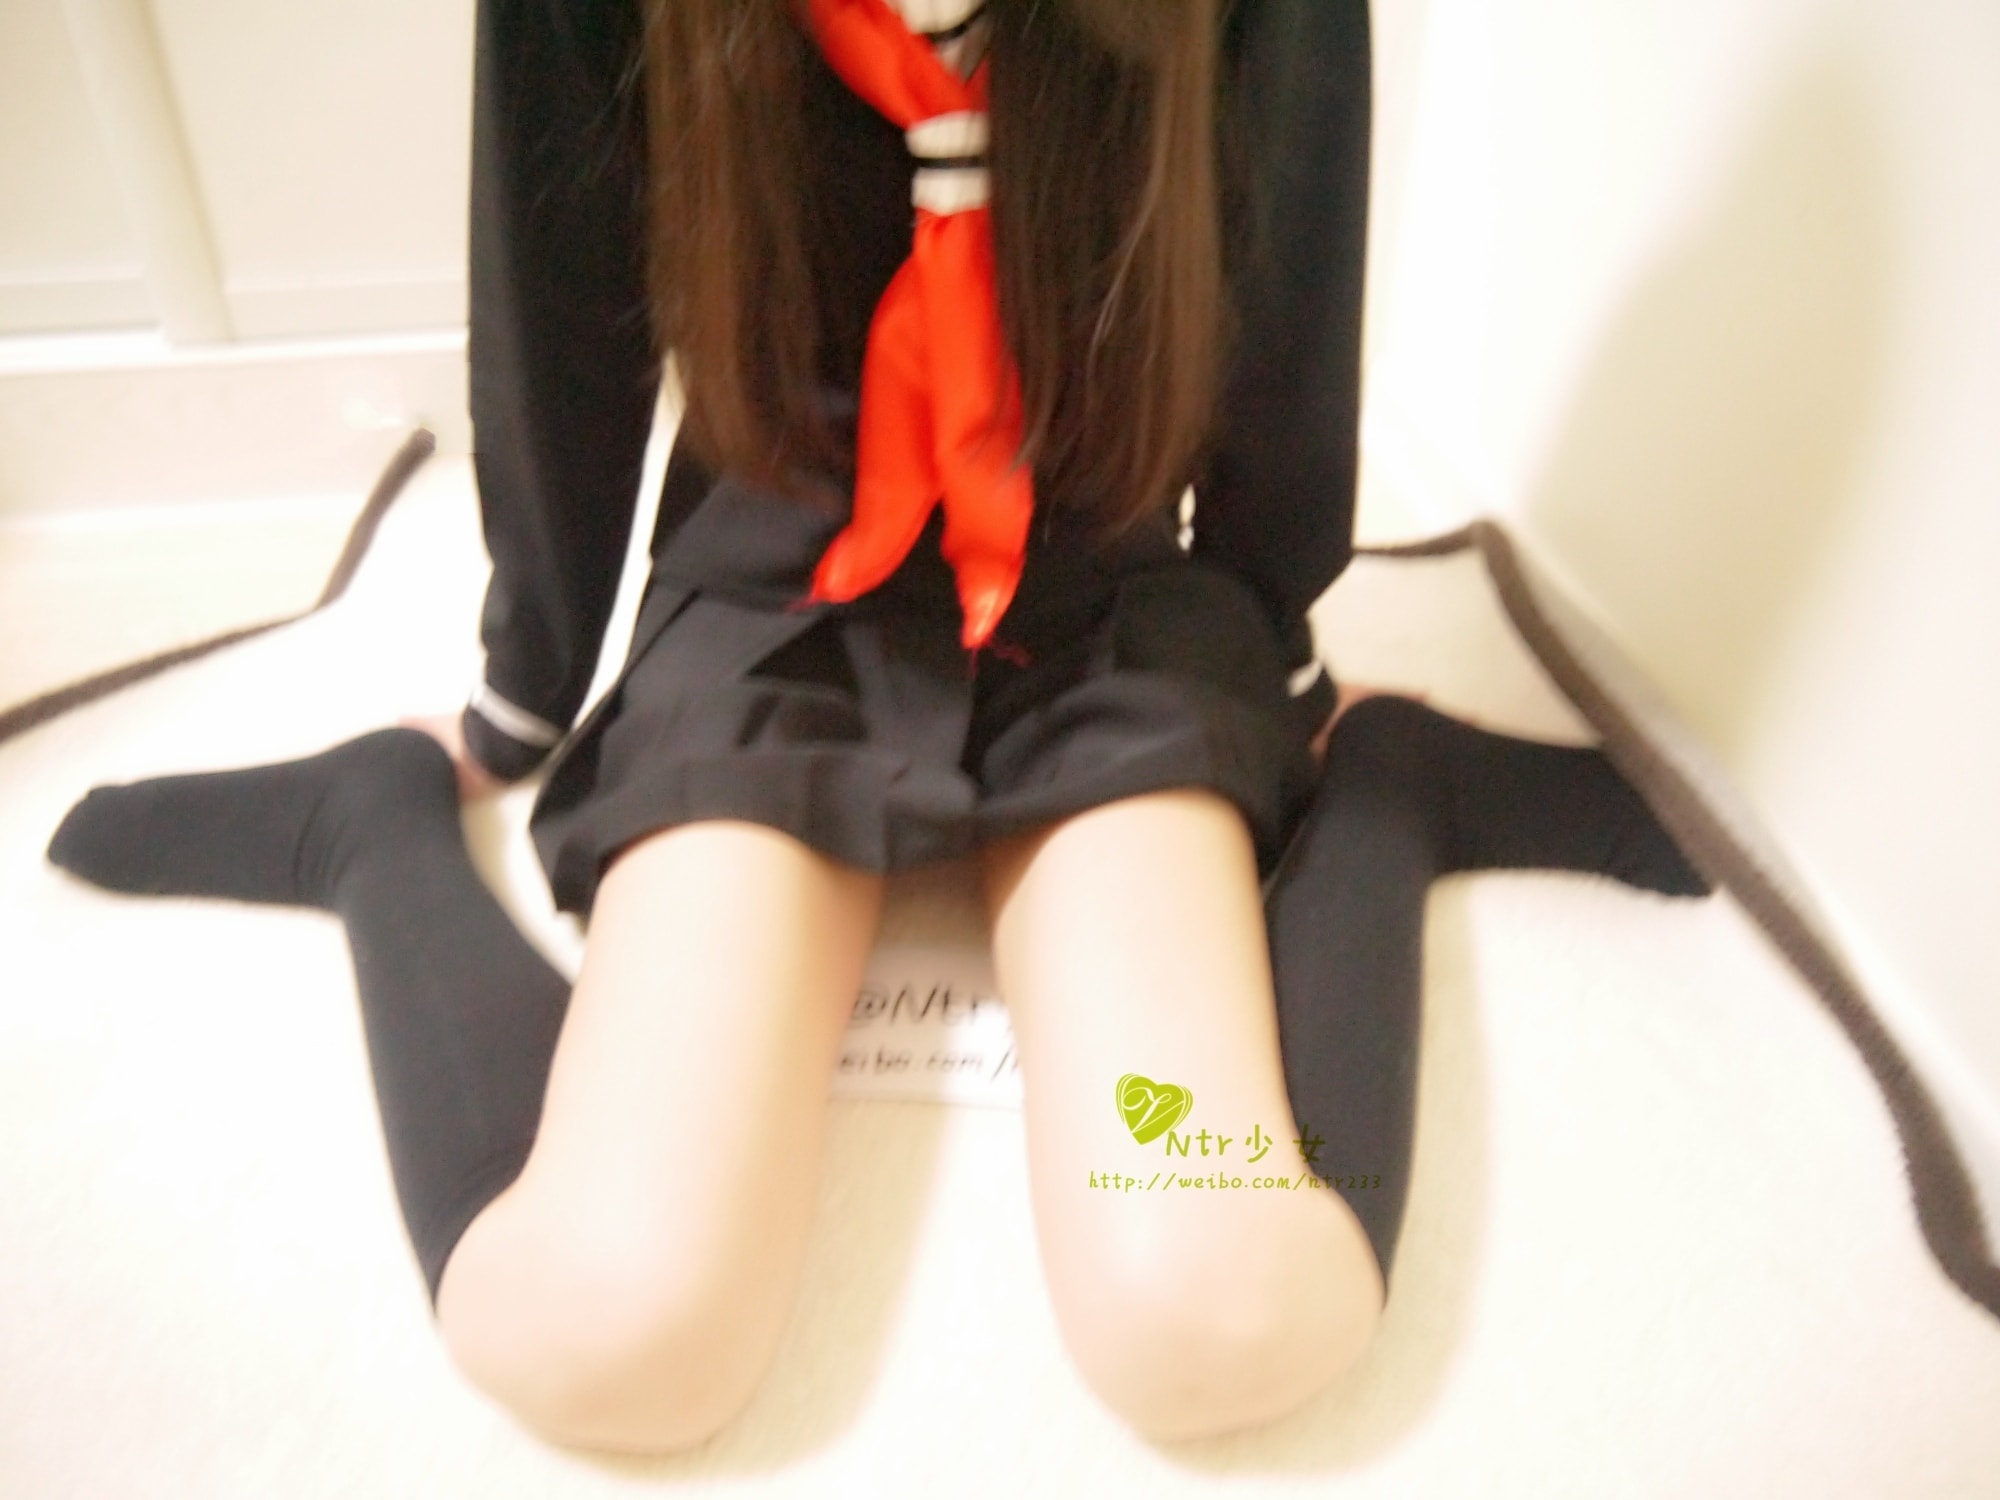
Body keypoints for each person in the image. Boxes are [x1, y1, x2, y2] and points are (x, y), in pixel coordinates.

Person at [43, 0, 1709, 1455]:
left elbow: (1286, 259)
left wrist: (1276, 646)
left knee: (1220, 1301)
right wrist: (523, 686)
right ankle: (372, 830)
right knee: (604, 1326)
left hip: (1101, 593)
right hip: (782, 589)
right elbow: (558, 296)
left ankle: (1396, 797)